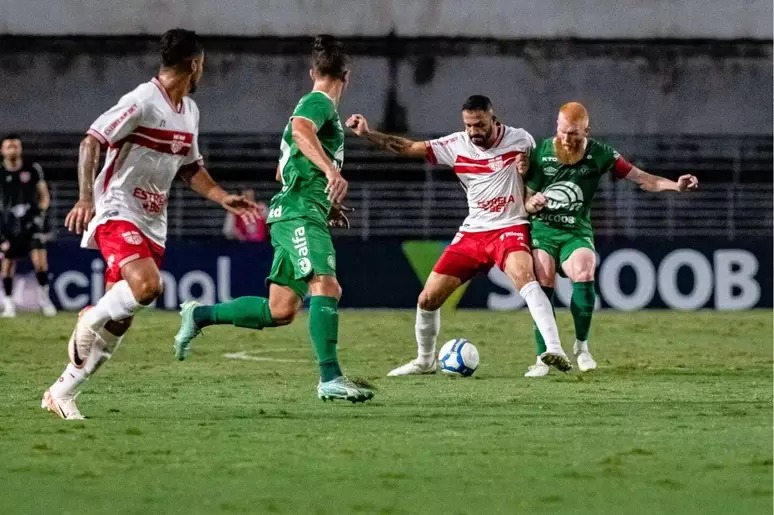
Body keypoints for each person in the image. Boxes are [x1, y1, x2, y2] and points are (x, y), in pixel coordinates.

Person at [41, 29, 258, 420]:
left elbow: (190, 169)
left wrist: (222, 196)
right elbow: (91, 141)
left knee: (120, 320)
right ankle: (90, 315)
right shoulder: (142, 100)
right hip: (117, 208)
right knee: (148, 286)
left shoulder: (189, 112)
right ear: (195, 63)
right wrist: (86, 198)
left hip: (153, 221)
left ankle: (62, 392)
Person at [173, 35, 374, 404]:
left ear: (313, 71)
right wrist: (330, 171)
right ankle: (330, 378)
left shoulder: (315, 107)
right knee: (327, 286)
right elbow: (301, 130)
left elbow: (282, 171)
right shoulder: (318, 102)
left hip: (295, 211)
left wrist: (325, 200)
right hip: (298, 213)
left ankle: (199, 316)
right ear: (347, 76)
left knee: (280, 310)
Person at [346, 95, 573, 376]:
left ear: (493, 119)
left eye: (480, 125)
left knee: (525, 279)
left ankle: (554, 349)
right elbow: (407, 147)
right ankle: (425, 361)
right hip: (473, 232)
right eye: (468, 125)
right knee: (427, 299)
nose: (474, 131)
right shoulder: (456, 145)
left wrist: (528, 175)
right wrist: (368, 134)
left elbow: (538, 179)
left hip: (510, 226)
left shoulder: (520, 140)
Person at [523, 102, 699, 377]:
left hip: (576, 231)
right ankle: (542, 357)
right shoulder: (542, 152)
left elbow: (643, 179)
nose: (566, 139)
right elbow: (526, 200)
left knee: (585, 269)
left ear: (586, 131)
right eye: (562, 131)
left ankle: (582, 347)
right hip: (543, 230)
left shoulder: (601, 154)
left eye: (574, 133)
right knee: (543, 280)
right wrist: (533, 203)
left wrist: (675, 186)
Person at [0, 134, 57, 317]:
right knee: (7, 264)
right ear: (2, 151)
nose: (12, 150)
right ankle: (9, 305)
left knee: (40, 261)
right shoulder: (0, 172)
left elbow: (44, 195)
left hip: (31, 222)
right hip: (8, 225)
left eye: (15, 146)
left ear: (20, 149)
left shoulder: (32, 169)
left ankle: (45, 300)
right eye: (9, 146)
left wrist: (40, 214)